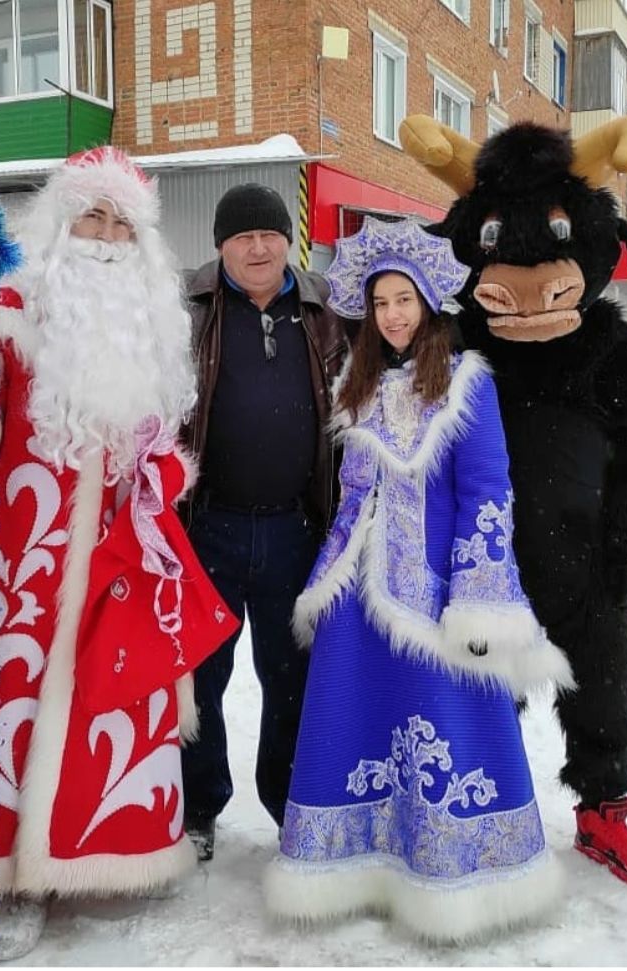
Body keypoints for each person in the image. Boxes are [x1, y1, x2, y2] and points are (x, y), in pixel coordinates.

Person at [0, 147, 239, 961]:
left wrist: (161, 468)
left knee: (106, 705)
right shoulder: (6, 309)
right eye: (90, 216)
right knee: (10, 717)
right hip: (15, 564)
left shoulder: (148, 329)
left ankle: (85, 856)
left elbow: (148, 444)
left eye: (120, 222)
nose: (104, 235)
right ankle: (6, 876)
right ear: (58, 226)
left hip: (113, 559)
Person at [264, 218, 570, 942]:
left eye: (404, 299)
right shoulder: (357, 384)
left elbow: (488, 491)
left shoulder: (466, 385)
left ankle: (455, 870)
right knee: (354, 721)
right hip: (357, 600)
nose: (393, 314)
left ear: (430, 302)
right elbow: (350, 495)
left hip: (435, 595)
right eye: (380, 303)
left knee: (449, 723)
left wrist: (475, 593)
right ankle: (356, 863)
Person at [180, 183, 349, 862]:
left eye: (269, 234)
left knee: (292, 680)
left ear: (289, 239)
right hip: (207, 527)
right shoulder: (186, 308)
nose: (258, 247)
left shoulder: (327, 309)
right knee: (197, 678)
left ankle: (290, 807)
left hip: (294, 530)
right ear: (221, 244)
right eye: (242, 236)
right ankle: (197, 808)